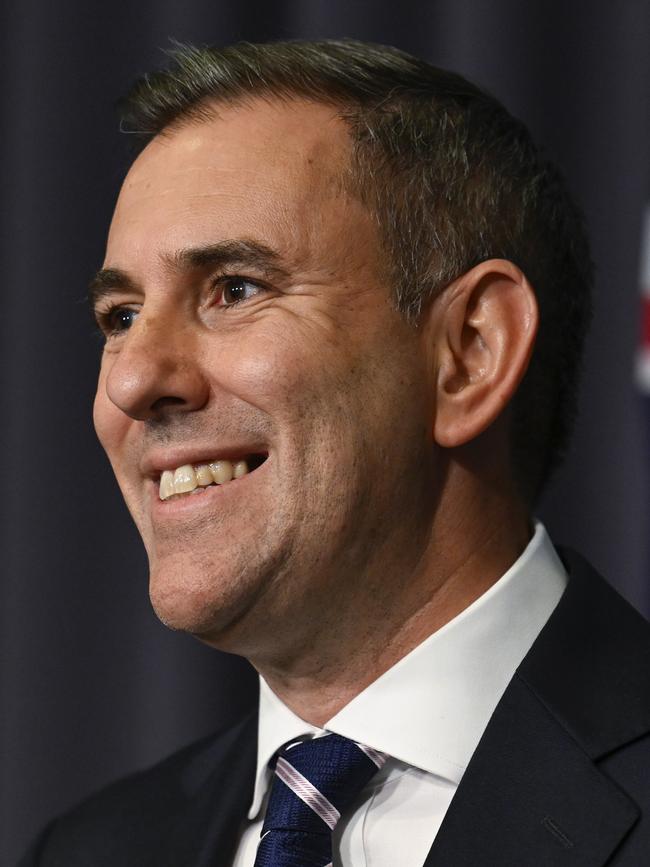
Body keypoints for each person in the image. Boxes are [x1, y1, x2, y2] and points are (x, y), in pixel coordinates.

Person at [18, 39, 650, 866]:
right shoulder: (86, 850)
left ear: (470, 351)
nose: (133, 380)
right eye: (121, 317)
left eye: (234, 289)